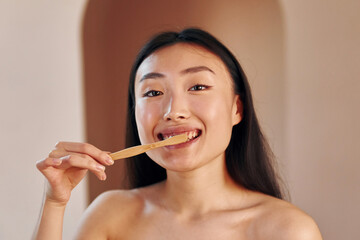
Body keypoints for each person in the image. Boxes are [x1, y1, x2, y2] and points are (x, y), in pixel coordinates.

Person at [35, 28, 322, 239]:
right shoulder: (110, 214)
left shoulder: (288, 230)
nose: (174, 111)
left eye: (197, 87)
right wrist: (54, 202)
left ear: (237, 109)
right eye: (153, 92)